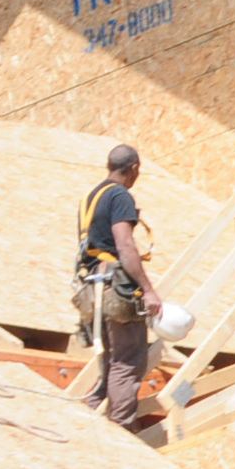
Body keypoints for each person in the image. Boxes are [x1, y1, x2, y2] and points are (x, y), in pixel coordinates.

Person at [75, 143, 164, 430]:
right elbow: (125, 245)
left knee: (110, 360)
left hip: (93, 289)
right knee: (127, 362)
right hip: (115, 288)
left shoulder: (91, 197)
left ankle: (90, 416)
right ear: (134, 168)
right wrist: (148, 289)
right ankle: (122, 430)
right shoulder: (119, 196)